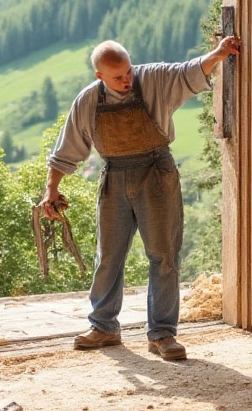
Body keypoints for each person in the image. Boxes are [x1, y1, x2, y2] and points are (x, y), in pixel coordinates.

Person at [40, 35, 240, 361]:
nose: (126, 80)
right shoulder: (88, 101)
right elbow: (66, 151)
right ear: (99, 77)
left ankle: (162, 333)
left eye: (128, 72)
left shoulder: (153, 79)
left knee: (163, 256)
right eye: (118, 77)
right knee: (109, 257)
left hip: (157, 173)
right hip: (114, 177)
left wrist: (217, 54)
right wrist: (52, 189)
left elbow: (188, 71)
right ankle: (104, 326)